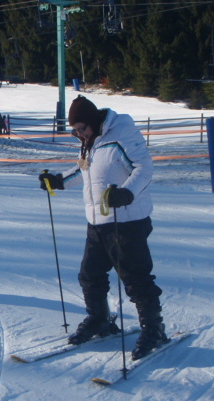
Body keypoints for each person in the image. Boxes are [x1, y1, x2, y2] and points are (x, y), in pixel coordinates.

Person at [39, 95, 166, 360]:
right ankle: (100, 320)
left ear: (95, 121)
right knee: (90, 275)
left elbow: (144, 167)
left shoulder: (121, 133)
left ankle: (154, 331)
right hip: (97, 222)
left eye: (81, 128)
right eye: (74, 130)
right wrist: (58, 181)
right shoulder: (90, 141)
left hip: (127, 221)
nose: (78, 134)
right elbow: (83, 173)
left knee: (135, 279)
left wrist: (127, 193)